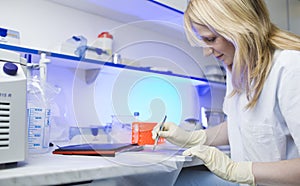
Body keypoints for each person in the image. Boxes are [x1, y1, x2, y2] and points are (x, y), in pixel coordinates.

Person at [152, 0, 300, 185]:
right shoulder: (237, 66)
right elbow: (240, 125)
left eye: (211, 39)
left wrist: (237, 170)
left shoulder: (291, 67)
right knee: (178, 181)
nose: (206, 52)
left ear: (239, 27)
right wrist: (192, 138)